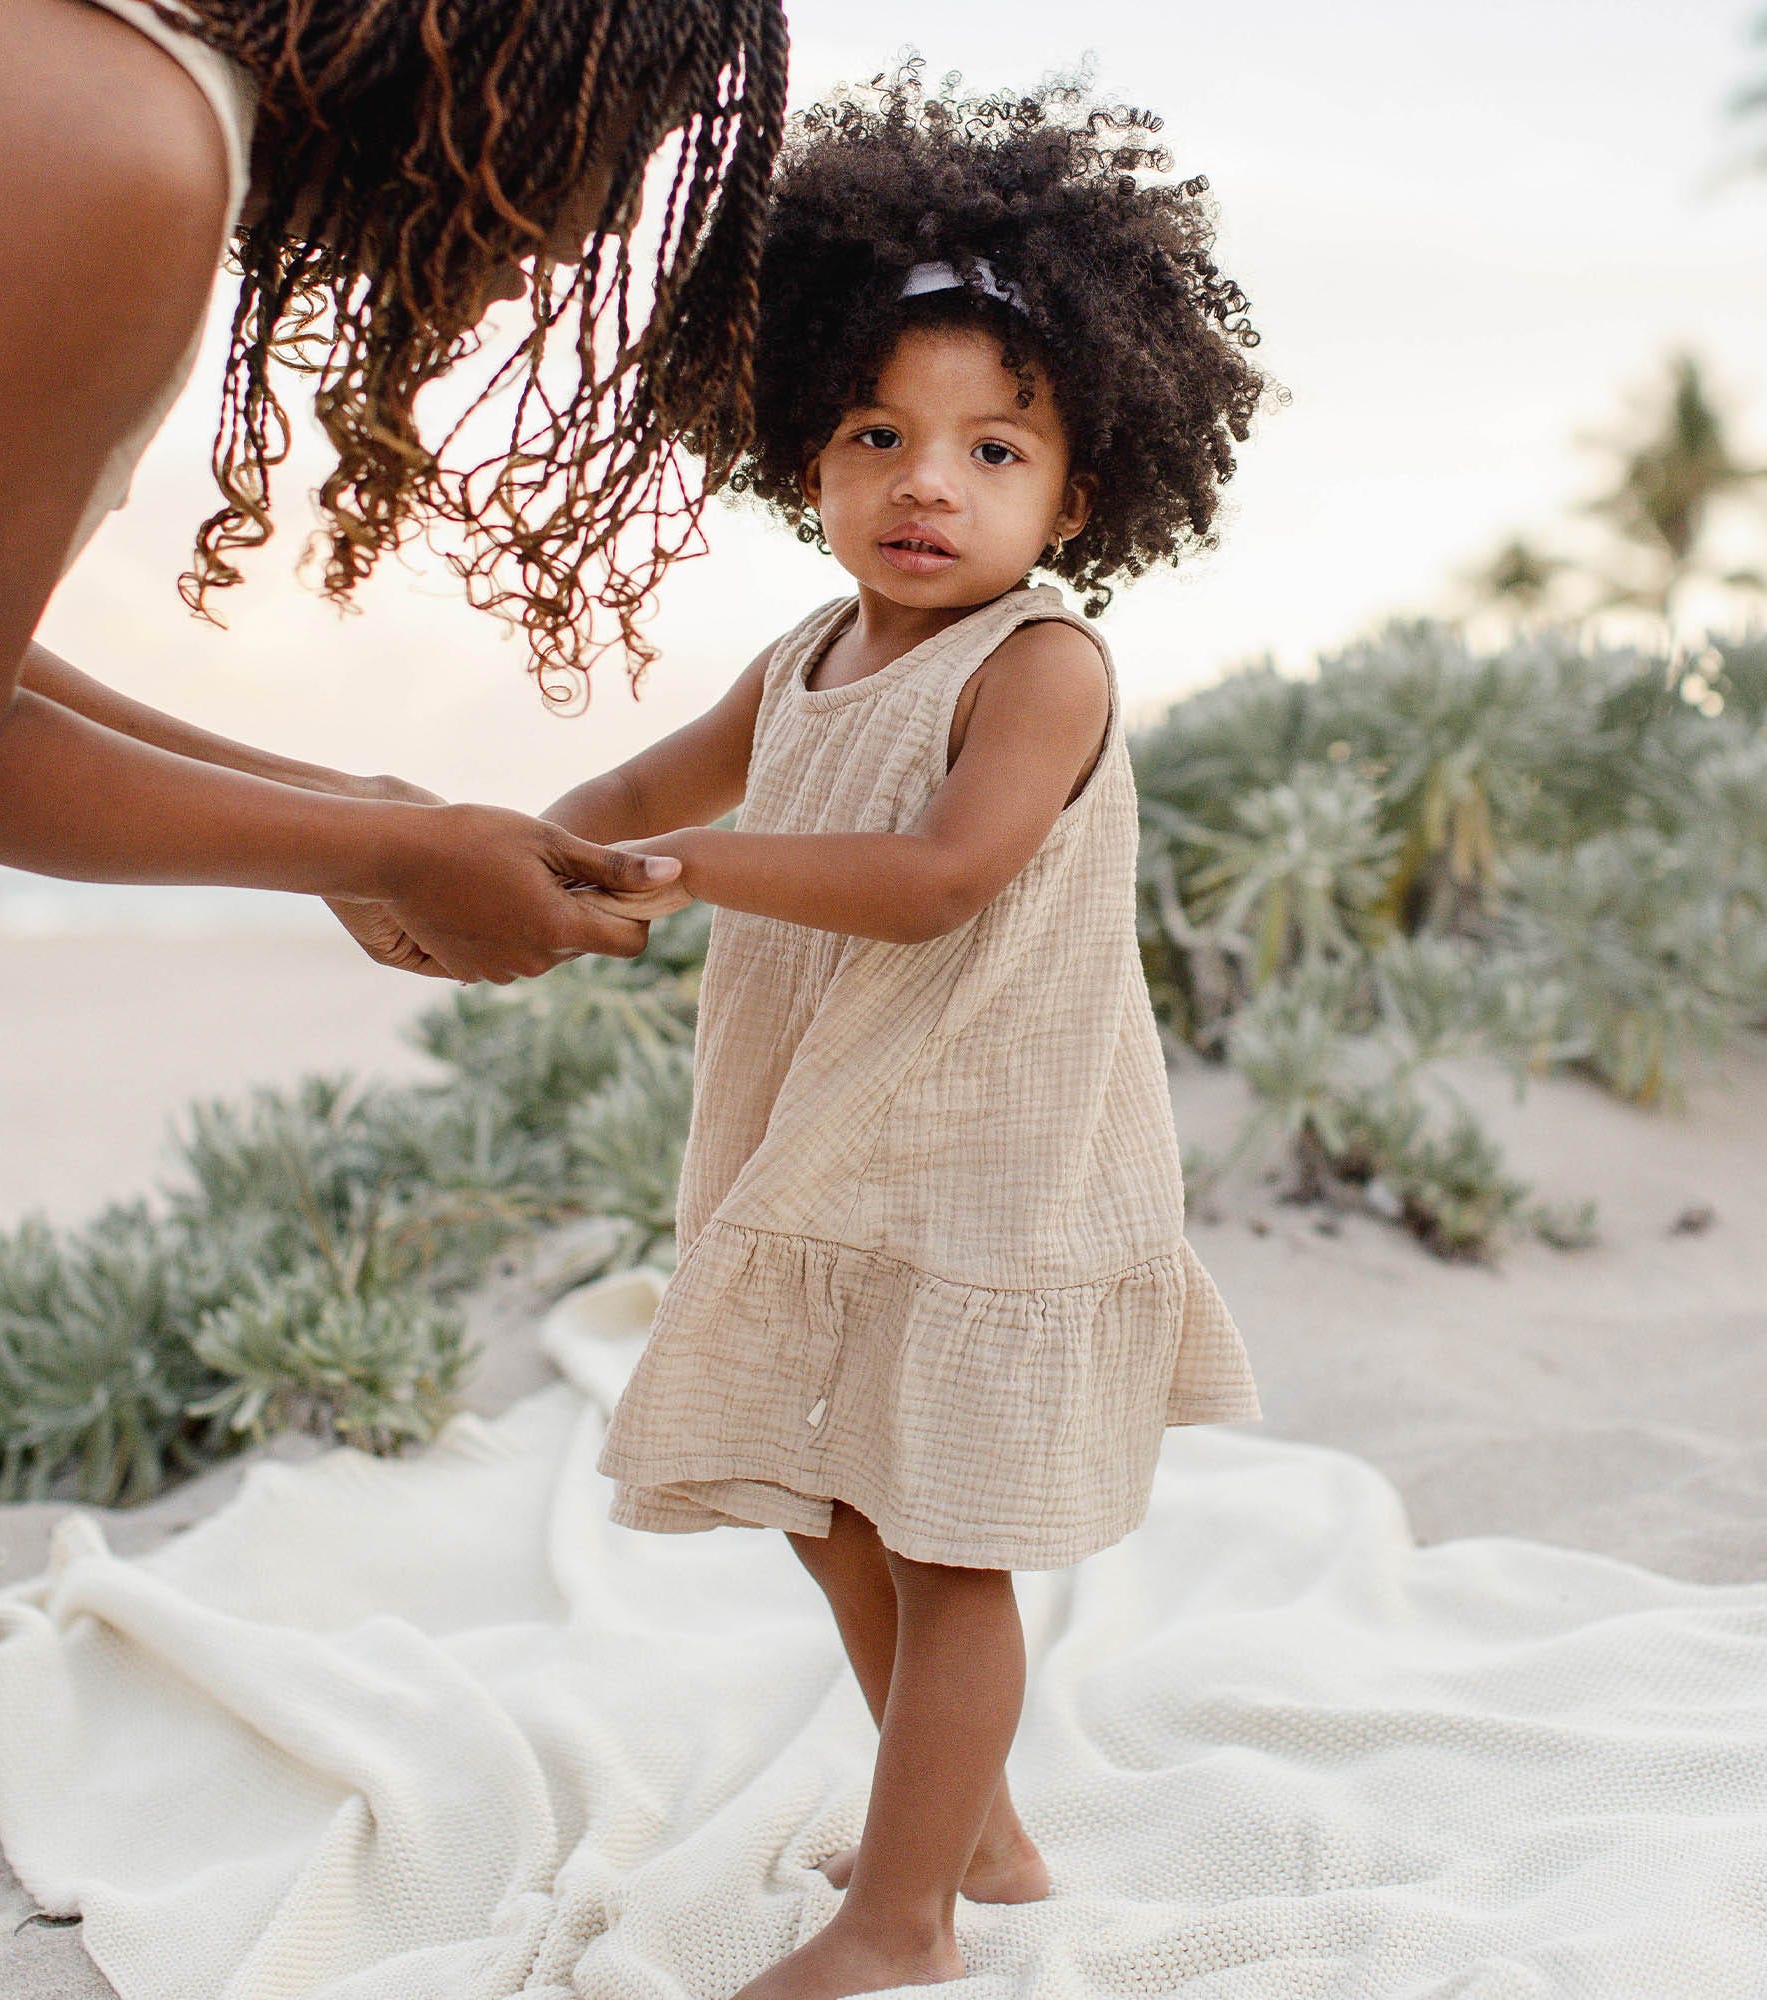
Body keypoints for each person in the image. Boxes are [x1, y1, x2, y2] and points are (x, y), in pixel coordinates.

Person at [541, 61, 1269, 2000]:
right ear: (807, 454)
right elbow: (636, 787)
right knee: (825, 1497)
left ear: (1087, 485)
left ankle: (908, 1913)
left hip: (991, 1156)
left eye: (994, 450)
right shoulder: (803, 652)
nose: (928, 481)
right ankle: (982, 1821)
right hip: (829, 1138)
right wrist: (514, 862)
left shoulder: (1041, 666)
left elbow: (945, 872)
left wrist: (690, 867)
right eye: (879, 431)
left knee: (949, 1544)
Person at [0, 0, 786, 982]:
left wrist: (360, 811)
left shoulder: (98, 69)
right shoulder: (131, 146)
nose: (591, 236)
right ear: (500, 54)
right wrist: (394, 855)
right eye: (625, 139)